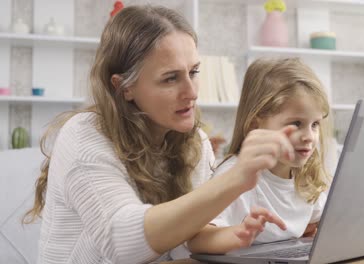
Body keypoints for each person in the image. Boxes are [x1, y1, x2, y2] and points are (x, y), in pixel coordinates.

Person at [23, 6, 297, 263]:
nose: (192, 92)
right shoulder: (83, 136)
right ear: (124, 87)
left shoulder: (195, 144)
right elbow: (122, 244)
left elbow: (189, 238)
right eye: (170, 78)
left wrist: (236, 235)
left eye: (194, 71)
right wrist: (234, 180)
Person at [187, 57, 333, 254]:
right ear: (256, 126)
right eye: (296, 123)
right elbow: (197, 240)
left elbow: (314, 222)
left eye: (315, 124)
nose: (309, 137)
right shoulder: (235, 174)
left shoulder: (304, 177)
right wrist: (239, 234)